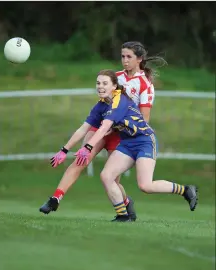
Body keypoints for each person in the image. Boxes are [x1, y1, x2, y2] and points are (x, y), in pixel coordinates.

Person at [39, 41, 164, 220]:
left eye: (129, 57)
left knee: (111, 180)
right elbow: (104, 103)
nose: (125, 60)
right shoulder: (116, 77)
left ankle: (126, 205)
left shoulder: (145, 84)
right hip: (103, 125)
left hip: (121, 133)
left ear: (139, 59)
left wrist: (120, 127)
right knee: (81, 159)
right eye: (123, 56)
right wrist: (65, 149)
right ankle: (55, 199)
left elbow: (144, 119)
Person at [74, 69, 198, 222]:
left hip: (144, 141)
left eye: (105, 83)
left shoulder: (118, 101)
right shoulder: (102, 105)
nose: (100, 86)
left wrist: (87, 147)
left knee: (145, 186)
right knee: (106, 176)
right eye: (98, 83)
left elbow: (104, 128)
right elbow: (86, 128)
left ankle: (185, 190)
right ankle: (123, 215)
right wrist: (65, 150)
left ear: (114, 86)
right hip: (127, 143)